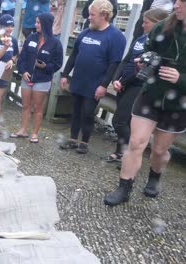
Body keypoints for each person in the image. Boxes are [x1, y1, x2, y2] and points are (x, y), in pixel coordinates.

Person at [104, 0, 186, 206]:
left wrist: (180, 78)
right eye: (176, 1)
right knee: (136, 142)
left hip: (178, 104)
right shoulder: (164, 26)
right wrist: (144, 59)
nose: (176, 6)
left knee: (159, 150)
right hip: (151, 93)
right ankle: (124, 187)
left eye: (183, 2)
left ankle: (155, 175)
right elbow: (148, 49)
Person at [59, 0, 126, 154]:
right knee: (75, 110)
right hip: (79, 79)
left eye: (92, 14)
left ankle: (85, 142)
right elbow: (74, 55)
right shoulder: (85, 32)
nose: (88, 17)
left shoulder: (115, 36)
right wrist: (64, 74)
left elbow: (114, 64)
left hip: (95, 83)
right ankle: (73, 139)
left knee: (87, 112)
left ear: (104, 15)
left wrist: (104, 85)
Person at [105, 8, 168, 163]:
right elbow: (126, 60)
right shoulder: (140, 39)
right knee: (126, 122)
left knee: (118, 121)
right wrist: (115, 79)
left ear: (157, 24)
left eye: (146, 22)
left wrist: (123, 82)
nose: (143, 25)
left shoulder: (159, 44)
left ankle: (130, 156)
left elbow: (145, 69)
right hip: (123, 84)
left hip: (138, 86)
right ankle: (120, 153)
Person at [11, 13, 63, 142]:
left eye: (38, 22)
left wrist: (45, 66)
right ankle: (23, 130)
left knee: (38, 108)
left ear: (46, 24)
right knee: (25, 106)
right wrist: (22, 72)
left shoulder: (55, 43)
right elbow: (21, 58)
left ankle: (34, 133)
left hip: (42, 80)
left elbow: (58, 64)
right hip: (27, 78)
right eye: (36, 22)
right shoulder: (31, 38)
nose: (36, 25)